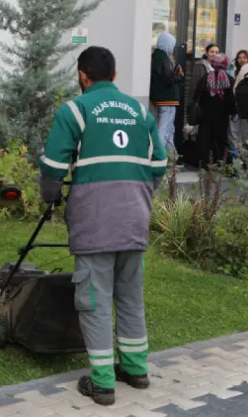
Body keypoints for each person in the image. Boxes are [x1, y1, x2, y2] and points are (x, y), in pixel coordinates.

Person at [37, 46, 167, 406]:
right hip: (135, 220)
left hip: (95, 222)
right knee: (130, 297)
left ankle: (103, 383)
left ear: (82, 75)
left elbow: (52, 167)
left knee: (93, 301)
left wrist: (50, 198)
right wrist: (136, 194)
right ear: (114, 76)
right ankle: (136, 370)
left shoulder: (75, 110)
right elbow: (159, 165)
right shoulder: (140, 111)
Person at [149, 32, 184, 158]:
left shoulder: (157, 57)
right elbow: (168, 79)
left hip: (162, 99)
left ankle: (173, 158)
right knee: (164, 129)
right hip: (167, 100)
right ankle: (157, 156)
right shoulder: (163, 59)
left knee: (169, 129)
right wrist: (179, 75)